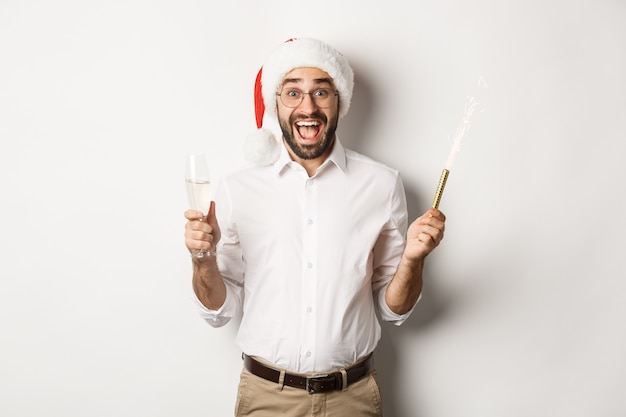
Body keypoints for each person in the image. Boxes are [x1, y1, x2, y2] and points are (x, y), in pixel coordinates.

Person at [184, 37, 446, 417]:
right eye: (293, 92)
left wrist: (413, 260)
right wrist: (201, 259)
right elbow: (218, 312)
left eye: (321, 92)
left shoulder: (382, 184)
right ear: (276, 104)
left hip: (352, 398)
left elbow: (395, 311)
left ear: (339, 100)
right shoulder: (237, 188)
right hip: (266, 398)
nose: (307, 107)